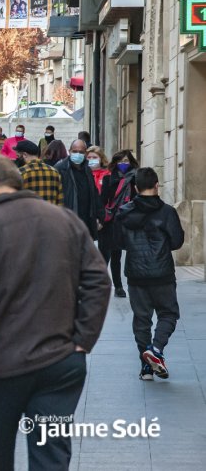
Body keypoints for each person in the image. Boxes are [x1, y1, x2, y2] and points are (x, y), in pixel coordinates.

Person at [0, 155, 110, 470]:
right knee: (51, 458)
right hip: (60, 361)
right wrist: (82, 340)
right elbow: (99, 281)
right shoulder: (66, 220)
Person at [118, 167, 185, 381]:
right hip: (162, 272)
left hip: (135, 273)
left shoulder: (125, 211)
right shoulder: (167, 212)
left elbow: (119, 242)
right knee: (168, 313)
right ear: (157, 185)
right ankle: (156, 350)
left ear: (136, 187)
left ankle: (146, 367)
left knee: (142, 318)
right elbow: (176, 241)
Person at [100, 149, 139, 298]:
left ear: (131, 162)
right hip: (109, 220)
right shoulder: (109, 178)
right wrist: (100, 218)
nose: (123, 164)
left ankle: (118, 286)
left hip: (124, 220)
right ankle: (100, 285)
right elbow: (103, 199)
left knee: (117, 255)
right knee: (104, 255)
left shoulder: (135, 178)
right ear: (115, 162)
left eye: (126, 161)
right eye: (121, 161)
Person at [54, 139, 103, 239]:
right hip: (68, 218)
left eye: (81, 152)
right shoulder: (61, 168)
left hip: (86, 219)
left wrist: (99, 216)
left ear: (85, 153)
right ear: (69, 151)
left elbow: (94, 193)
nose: (78, 154)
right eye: (75, 151)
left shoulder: (87, 169)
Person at [17, 140, 62, 205]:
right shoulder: (54, 171)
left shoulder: (20, 172)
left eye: (18, 156)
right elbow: (60, 200)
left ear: (24, 155)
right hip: (51, 213)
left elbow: (16, 201)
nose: (17, 158)